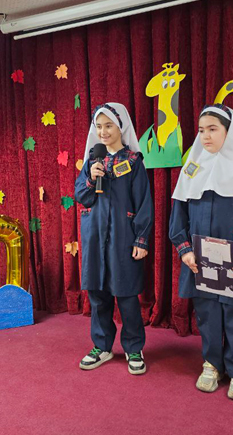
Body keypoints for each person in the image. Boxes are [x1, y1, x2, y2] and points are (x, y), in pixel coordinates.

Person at [168, 104, 233, 400]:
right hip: (200, 259)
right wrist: (184, 249)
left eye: (213, 129)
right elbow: (180, 210)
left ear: (230, 132)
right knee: (207, 315)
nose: (205, 136)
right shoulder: (194, 167)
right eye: (202, 130)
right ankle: (213, 364)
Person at [74, 103, 154, 375]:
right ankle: (102, 346)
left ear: (121, 126)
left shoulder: (133, 161)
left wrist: (141, 239)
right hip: (95, 237)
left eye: (108, 126)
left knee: (127, 294)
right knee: (98, 294)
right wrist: (90, 179)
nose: (103, 132)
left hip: (123, 237)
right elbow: (82, 196)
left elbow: (143, 203)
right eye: (98, 127)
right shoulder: (91, 162)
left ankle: (134, 347)